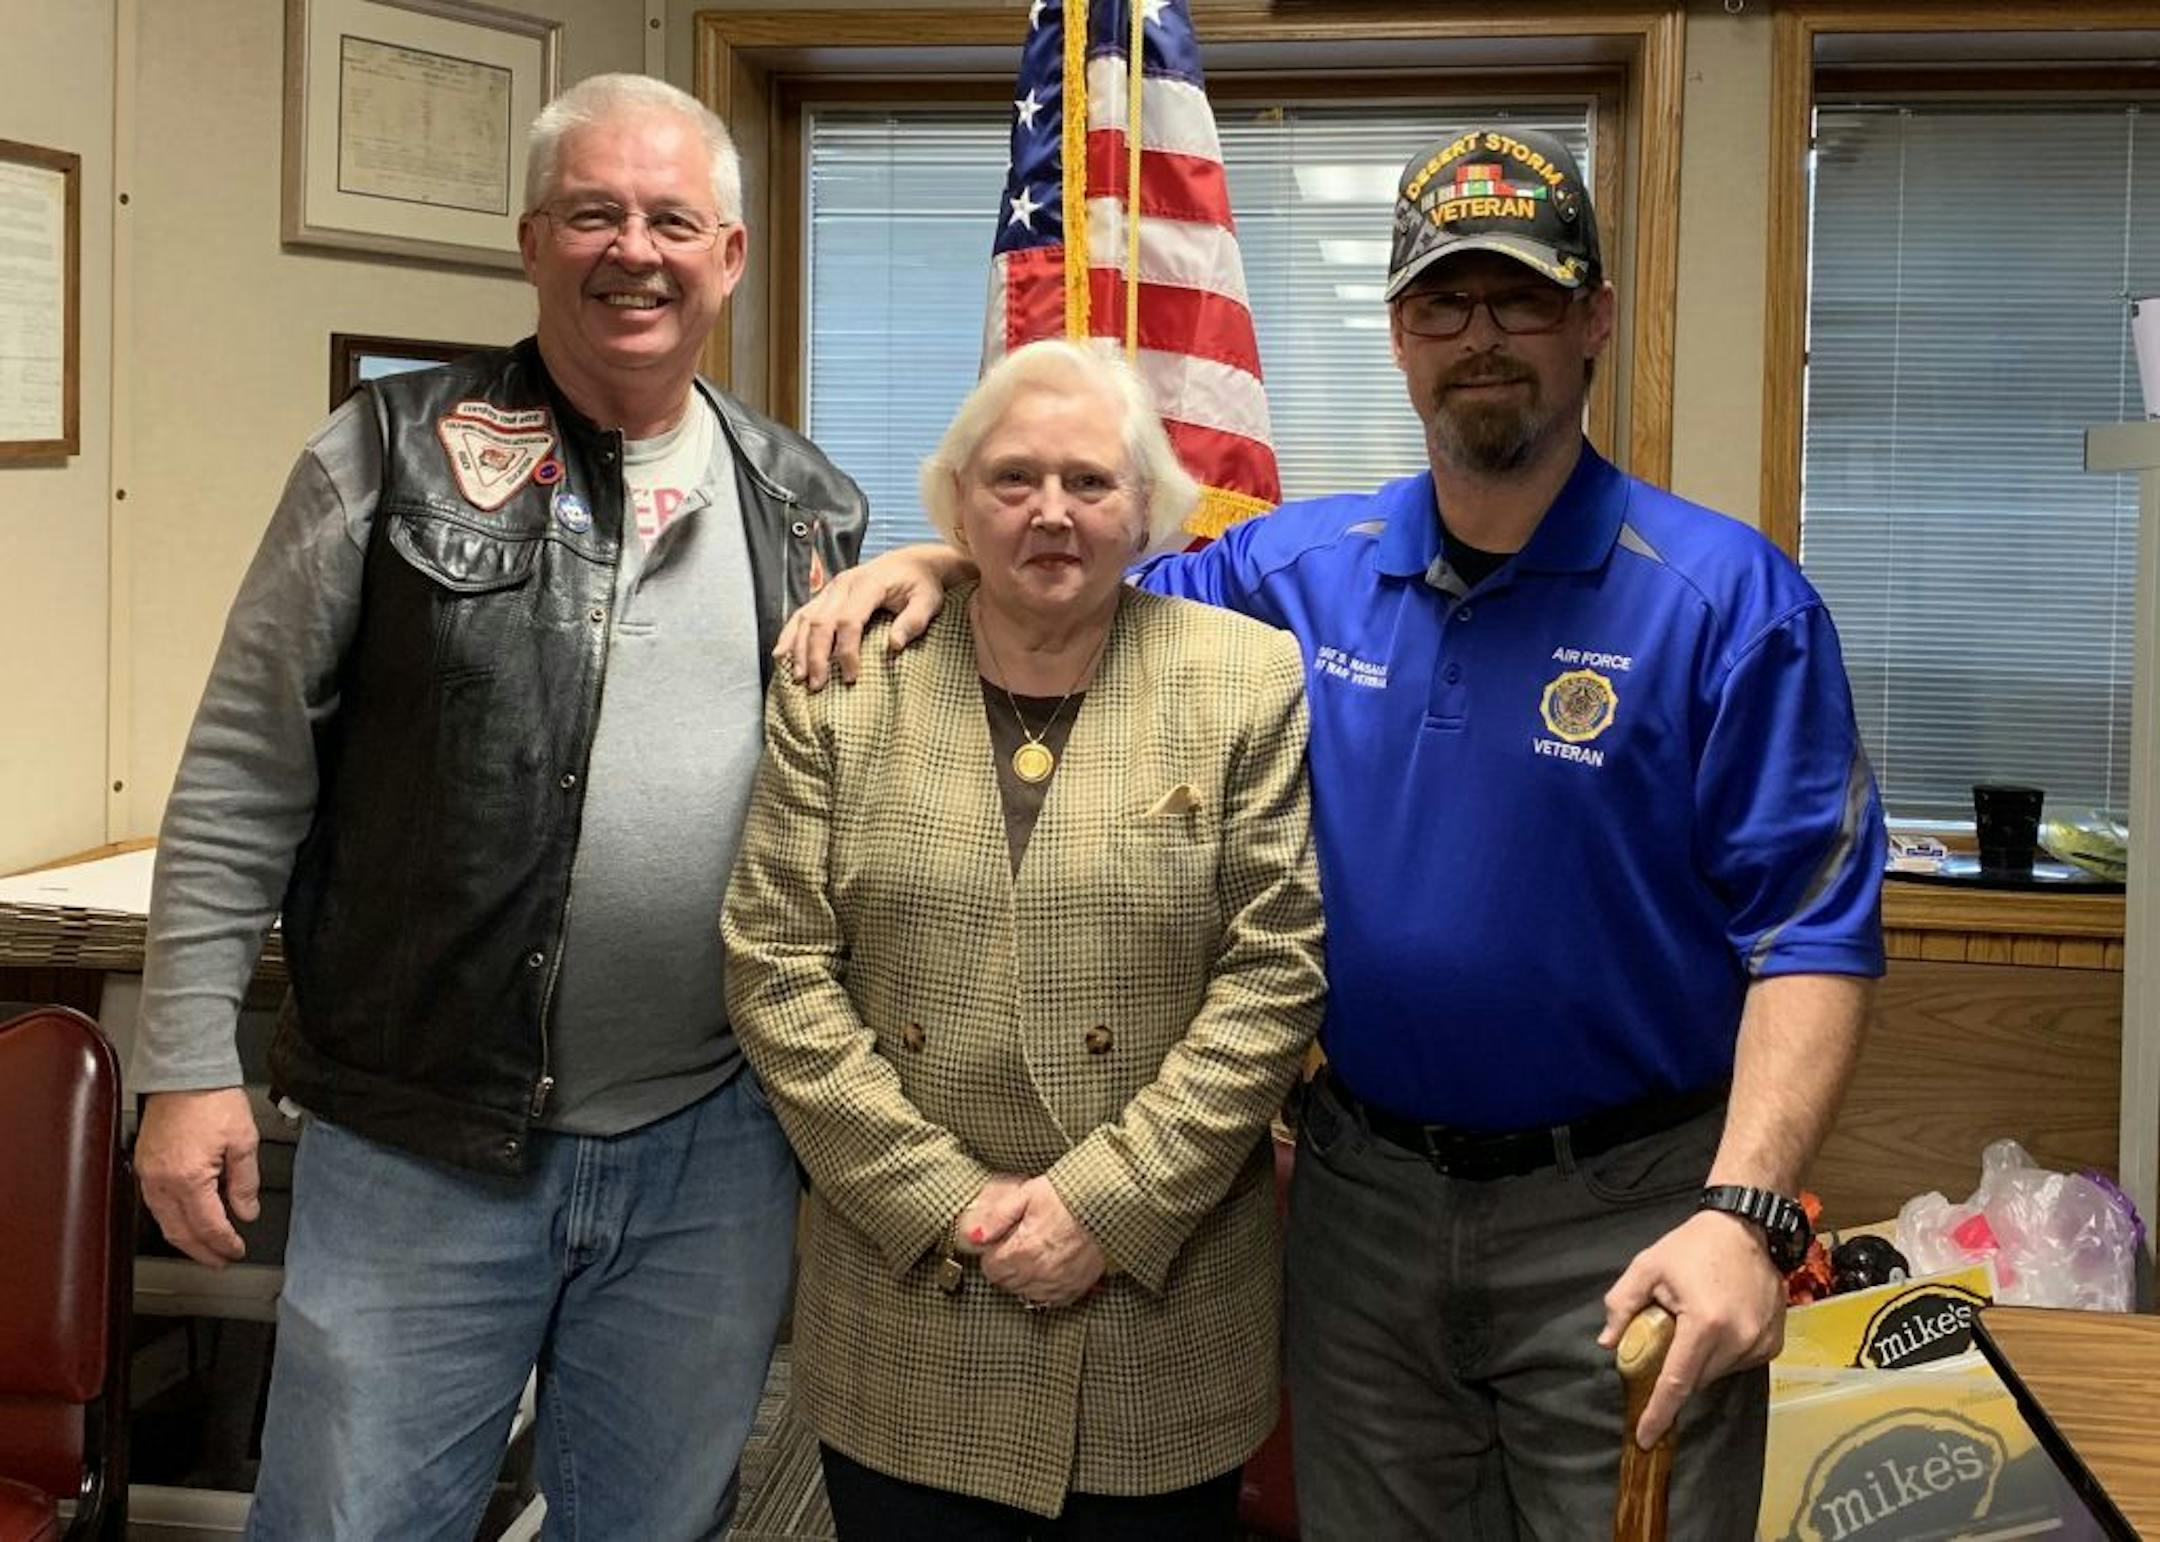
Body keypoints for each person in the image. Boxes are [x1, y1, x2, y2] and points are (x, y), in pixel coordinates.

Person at [774, 127, 1884, 1539]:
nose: (1481, 338)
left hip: (1627, 1212)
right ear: (1400, 336)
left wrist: (1748, 1214)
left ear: (1594, 319)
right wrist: (936, 553)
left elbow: (1812, 938)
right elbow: (1078, 571)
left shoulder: (1732, 605)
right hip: (1365, 1212)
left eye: (1522, 299)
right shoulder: (1297, 575)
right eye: (1444, 303)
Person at [130, 73, 865, 1540]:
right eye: (594, 213)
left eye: (673, 220)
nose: (633, 250)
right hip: (422, 1142)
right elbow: (241, 773)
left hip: (711, 1147)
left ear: (728, 255)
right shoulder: (386, 452)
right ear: (532, 241)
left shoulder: (807, 503)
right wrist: (187, 1061)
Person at [722, 338, 1326, 1539]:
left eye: (1090, 481)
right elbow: (775, 964)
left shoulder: (1242, 676)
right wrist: (946, 1201)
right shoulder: (847, 681)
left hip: (1154, 1307)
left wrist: (1104, 1207)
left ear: (1146, 508)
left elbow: (1275, 967)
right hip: (911, 1296)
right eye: (1013, 479)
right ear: (956, 505)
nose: (1052, 510)